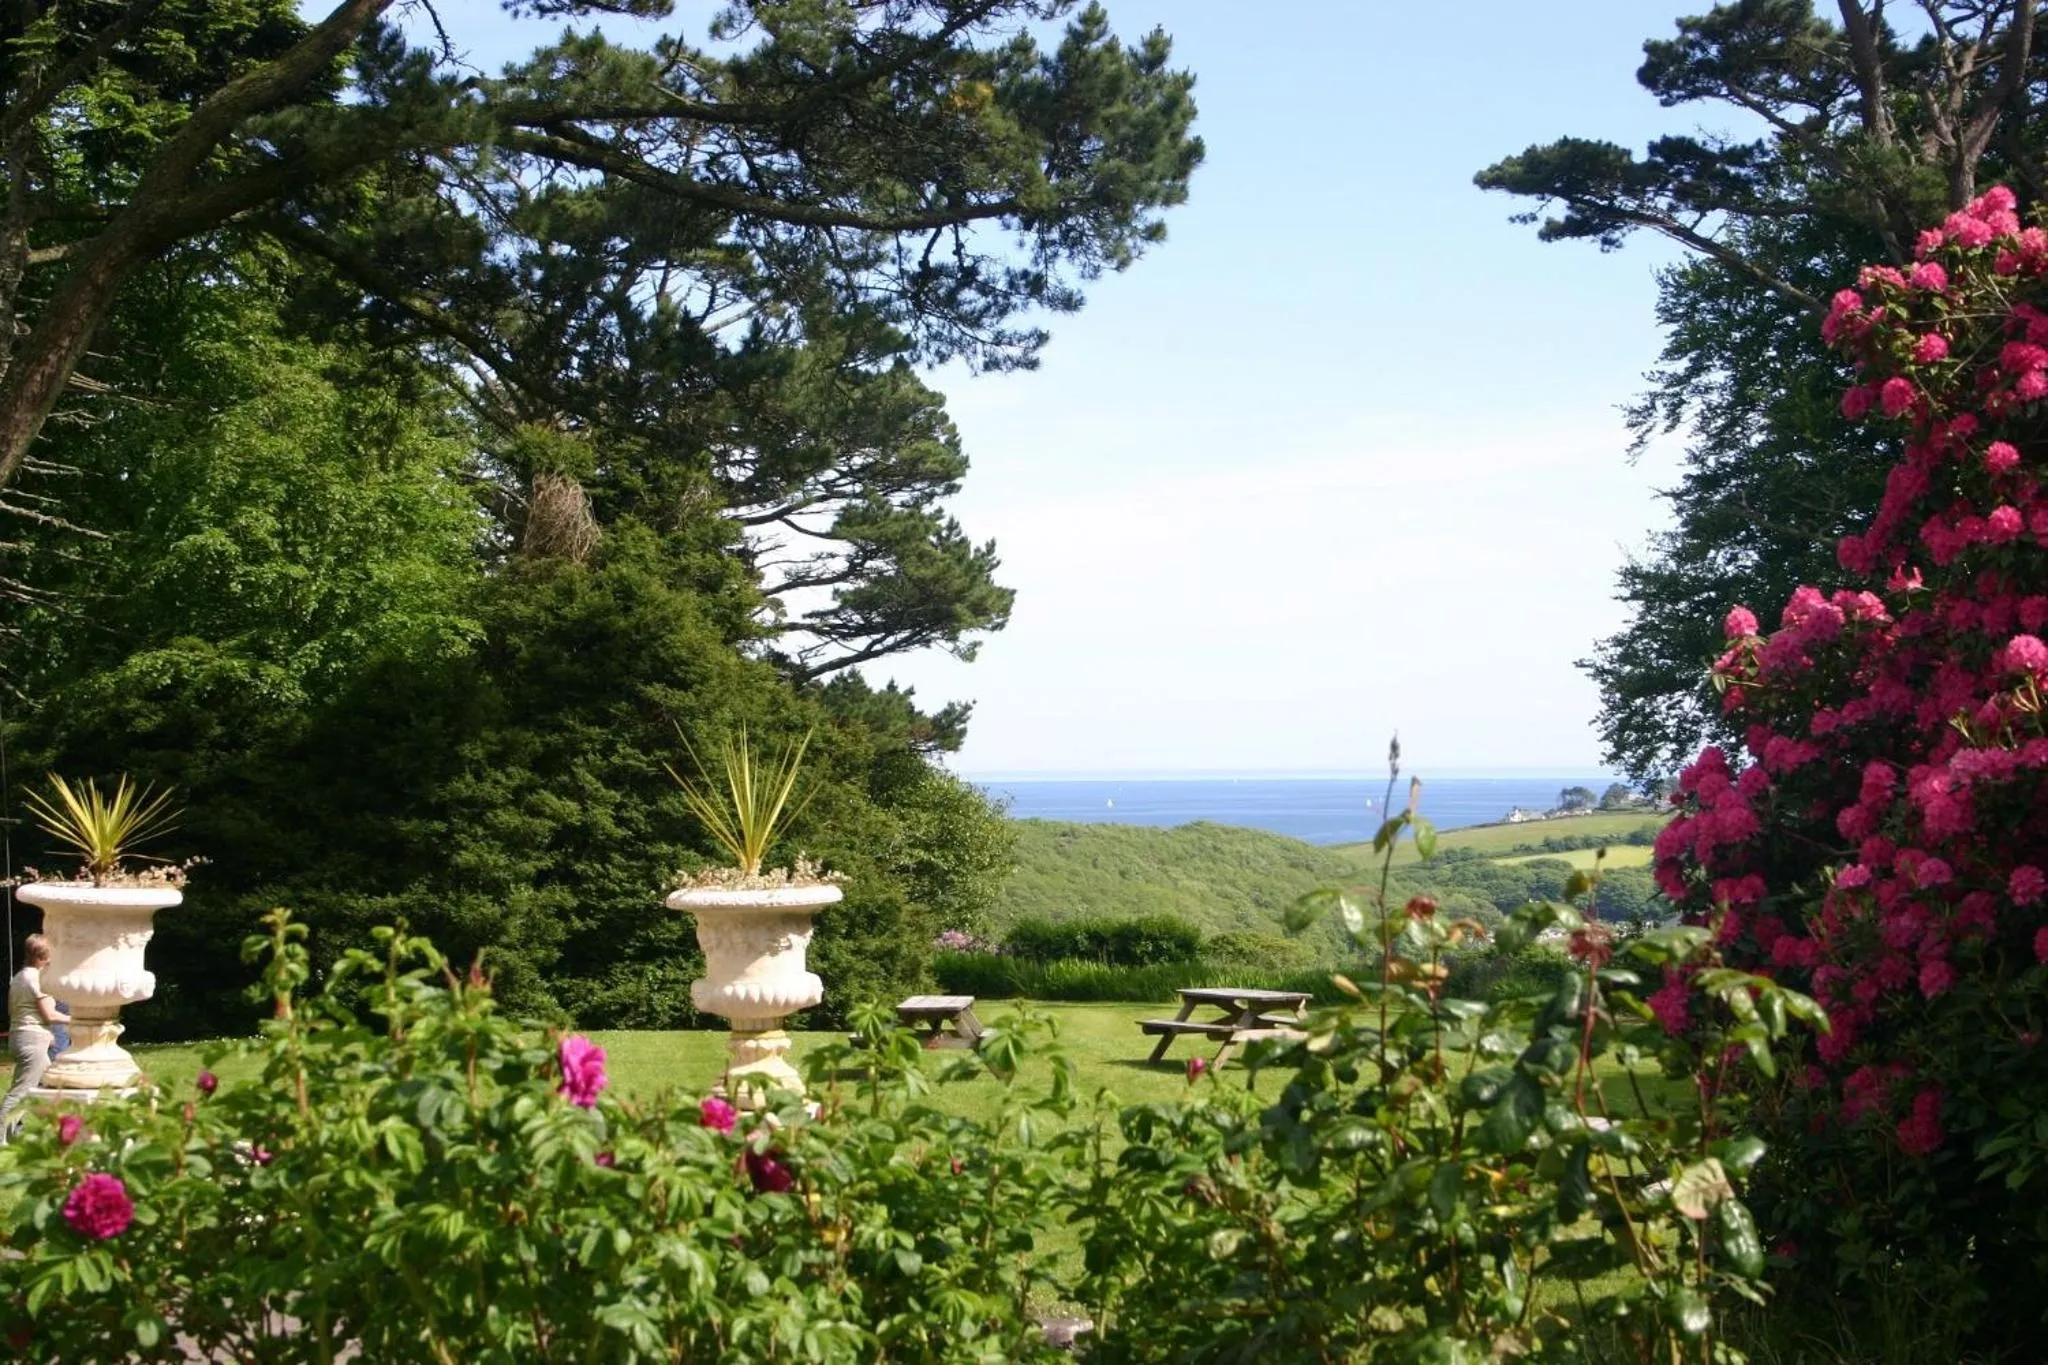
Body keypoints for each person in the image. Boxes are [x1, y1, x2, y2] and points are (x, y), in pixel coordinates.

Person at [3, 935, 69, 1140]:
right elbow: (50, 1015)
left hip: (19, 1036)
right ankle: (2, 1140)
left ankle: (55, 1133)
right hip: (33, 1042)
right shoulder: (39, 979)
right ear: (42, 957)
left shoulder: (19, 977)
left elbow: (13, 1011)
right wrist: (78, 1020)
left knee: (46, 1088)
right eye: (50, 957)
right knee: (20, 1093)